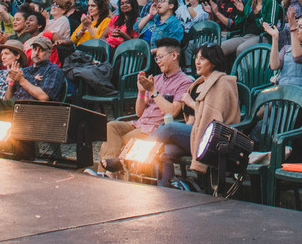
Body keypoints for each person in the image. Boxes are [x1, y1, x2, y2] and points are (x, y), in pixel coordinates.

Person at [95, 38, 194, 176]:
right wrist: (141, 92)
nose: (158, 61)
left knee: (114, 142)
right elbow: (139, 112)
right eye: (156, 58)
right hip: (139, 124)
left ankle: (106, 174)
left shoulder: (184, 82)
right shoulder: (156, 79)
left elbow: (172, 111)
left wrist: (153, 91)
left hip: (155, 129)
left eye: (161, 57)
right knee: (111, 126)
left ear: (173, 55)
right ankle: (110, 172)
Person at [148, 44, 239, 184]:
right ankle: (165, 189)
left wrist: (191, 103)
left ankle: (132, 155)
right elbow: (191, 120)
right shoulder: (197, 85)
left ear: (213, 62)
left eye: (202, 59)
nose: (197, 62)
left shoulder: (222, 83)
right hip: (195, 133)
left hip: (213, 137)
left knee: (170, 128)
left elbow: (214, 117)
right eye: (196, 58)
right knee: (165, 151)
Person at [0, 35, 66, 153]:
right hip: (14, 106)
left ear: (49, 52)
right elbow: (7, 98)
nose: (36, 53)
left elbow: (43, 97)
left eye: (41, 50)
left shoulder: (53, 70)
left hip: (34, 110)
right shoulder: (25, 71)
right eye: (34, 49)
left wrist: (21, 80)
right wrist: (11, 83)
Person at [264, 13, 302, 93]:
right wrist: (275, 38)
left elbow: (298, 57)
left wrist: (292, 30)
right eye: (296, 26)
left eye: (300, 27)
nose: (296, 29)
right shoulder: (286, 48)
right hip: (282, 91)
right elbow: (274, 66)